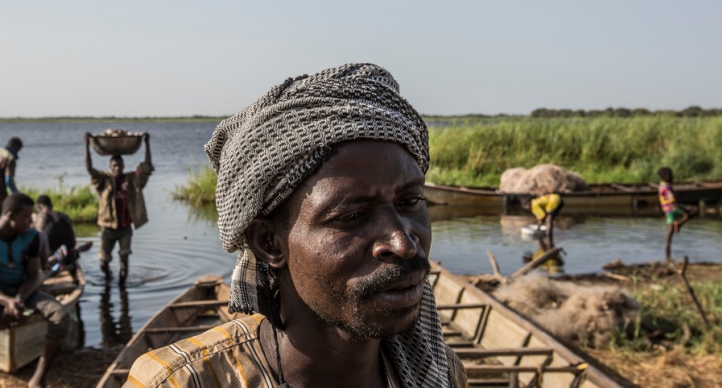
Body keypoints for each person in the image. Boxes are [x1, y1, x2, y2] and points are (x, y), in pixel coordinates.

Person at [125, 63, 467, 388]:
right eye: (351, 216)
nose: (403, 243)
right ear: (269, 243)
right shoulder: (179, 382)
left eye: (411, 202)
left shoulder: (441, 372)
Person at [0, 193, 70, 388]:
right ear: (10, 216)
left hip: (25, 292)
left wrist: (18, 299)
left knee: (60, 317)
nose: (31, 222)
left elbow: (33, 277)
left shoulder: (32, 238)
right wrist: (7, 302)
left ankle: (38, 378)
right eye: (27, 217)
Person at [85, 132, 153, 283]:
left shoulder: (131, 180)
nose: (118, 168)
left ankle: (123, 291)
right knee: (103, 262)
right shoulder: (104, 181)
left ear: (123, 166)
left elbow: (147, 167)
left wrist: (147, 143)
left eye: (120, 165)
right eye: (115, 165)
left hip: (125, 229)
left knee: (124, 258)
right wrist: (86, 144)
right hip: (108, 228)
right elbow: (90, 169)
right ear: (110, 167)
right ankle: (108, 278)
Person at [34, 194, 92, 281]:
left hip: (48, 257)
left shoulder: (40, 218)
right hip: (68, 256)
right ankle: (78, 250)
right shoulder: (64, 216)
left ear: (39, 207)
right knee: (71, 251)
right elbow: (73, 243)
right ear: (51, 206)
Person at [658, 167, 699, 261]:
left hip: (673, 208)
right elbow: (673, 203)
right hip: (672, 210)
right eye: (670, 175)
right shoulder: (665, 188)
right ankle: (668, 258)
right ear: (665, 176)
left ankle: (678, 224)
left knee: (695, 210)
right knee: (669, 235)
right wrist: (684, 213)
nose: (672, 176)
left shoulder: (665, 185)